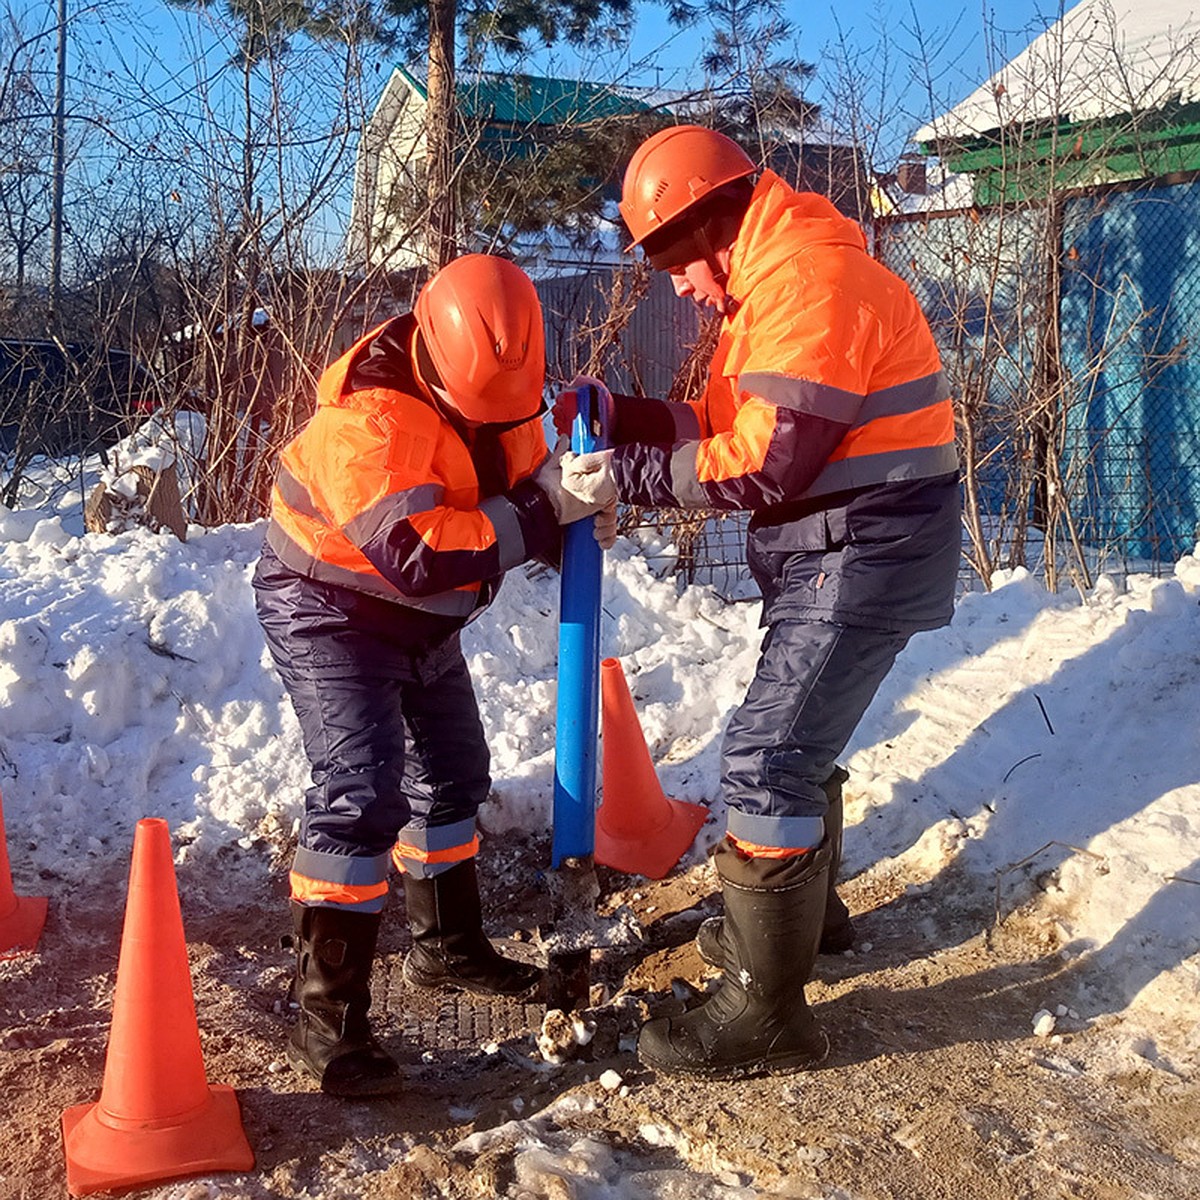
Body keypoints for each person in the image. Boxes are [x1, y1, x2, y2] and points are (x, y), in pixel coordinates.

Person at [558, 125, 961, 1080]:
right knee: (795, 742)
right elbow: (725, 423)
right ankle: (799, 927)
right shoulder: (777, 285)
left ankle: (765, 1014)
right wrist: (630, 419)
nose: (672, 284)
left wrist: (626, 475)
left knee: (768, 756)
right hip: (840, 549)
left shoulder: (813, 286)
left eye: (666, 258)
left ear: (711, 225)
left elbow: (769, 460)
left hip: (862, 549)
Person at [253, 253, 610, 1097]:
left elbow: (521, 488)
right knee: (361, 790)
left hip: (425, 617)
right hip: (332, 606)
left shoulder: (506, 391)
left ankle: (446, 951)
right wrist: (539, 512)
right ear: (434, 356)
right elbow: (417, 555)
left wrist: (572, 499)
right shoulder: (371, 421)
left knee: (452, 778)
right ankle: (326, 1020)